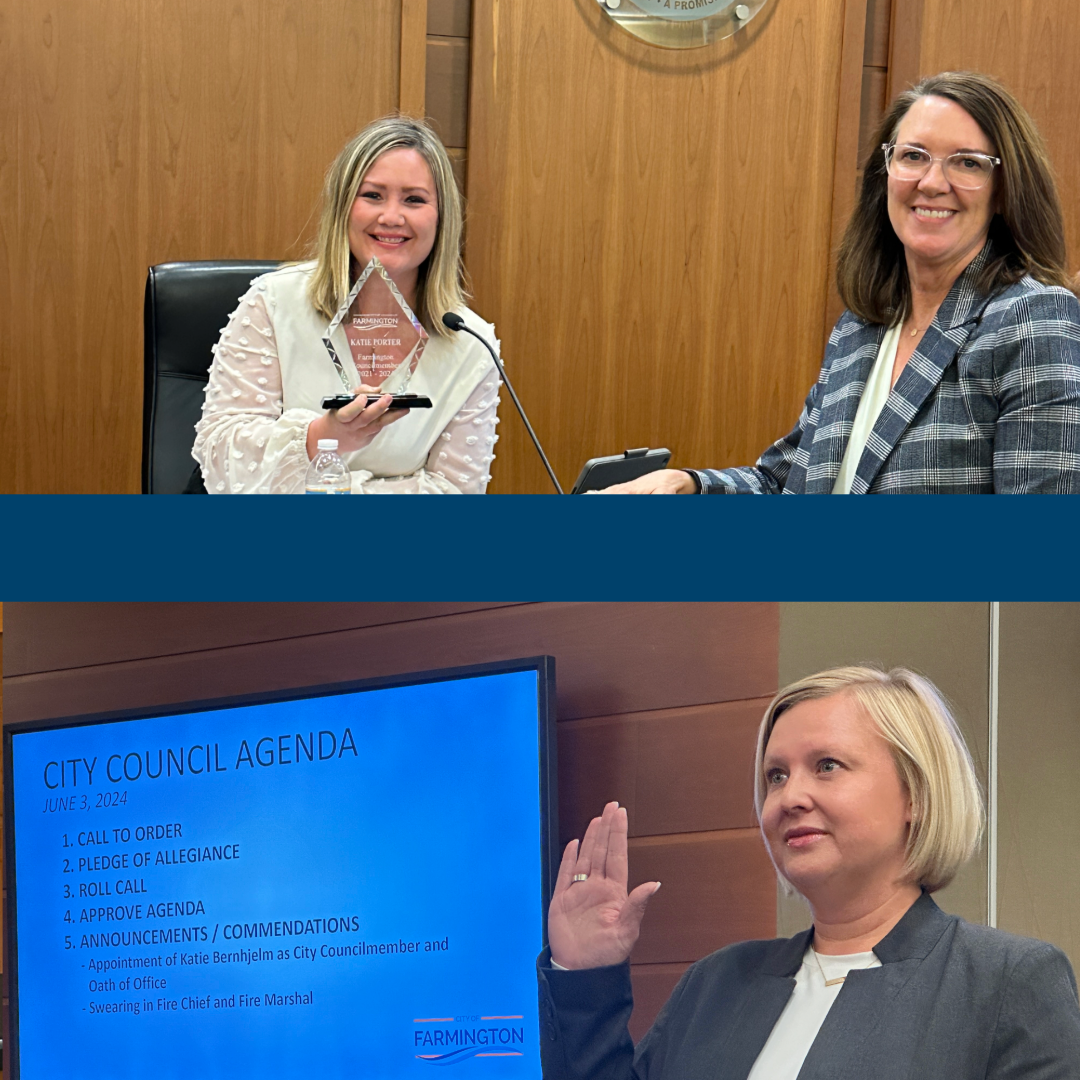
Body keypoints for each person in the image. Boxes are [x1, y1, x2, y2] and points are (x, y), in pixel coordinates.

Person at [539, 666, 1080, 1078]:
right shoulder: (716, 982)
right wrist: (585, 973)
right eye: (775, 776)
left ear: (916, 792)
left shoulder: (1006, 981)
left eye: (827, 766)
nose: (790, 797)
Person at [602, 72, 1080, 493]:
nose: (932, 182)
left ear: (1003, 192)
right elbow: (787, 483)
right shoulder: (861, 328)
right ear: (886, 174)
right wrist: (687, 486)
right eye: (913, 156)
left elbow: (1042, 550)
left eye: (967, 163)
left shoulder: (1034, 318)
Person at [193, 116, 502, 493]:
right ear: (343, 208)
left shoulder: (471, 343)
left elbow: (456, 493)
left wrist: (334, 486)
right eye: (372, 195)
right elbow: (220, 457)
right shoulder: (273, 304)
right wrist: (325, 437)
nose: (391, 217)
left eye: (414, 199)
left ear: (442, 218)